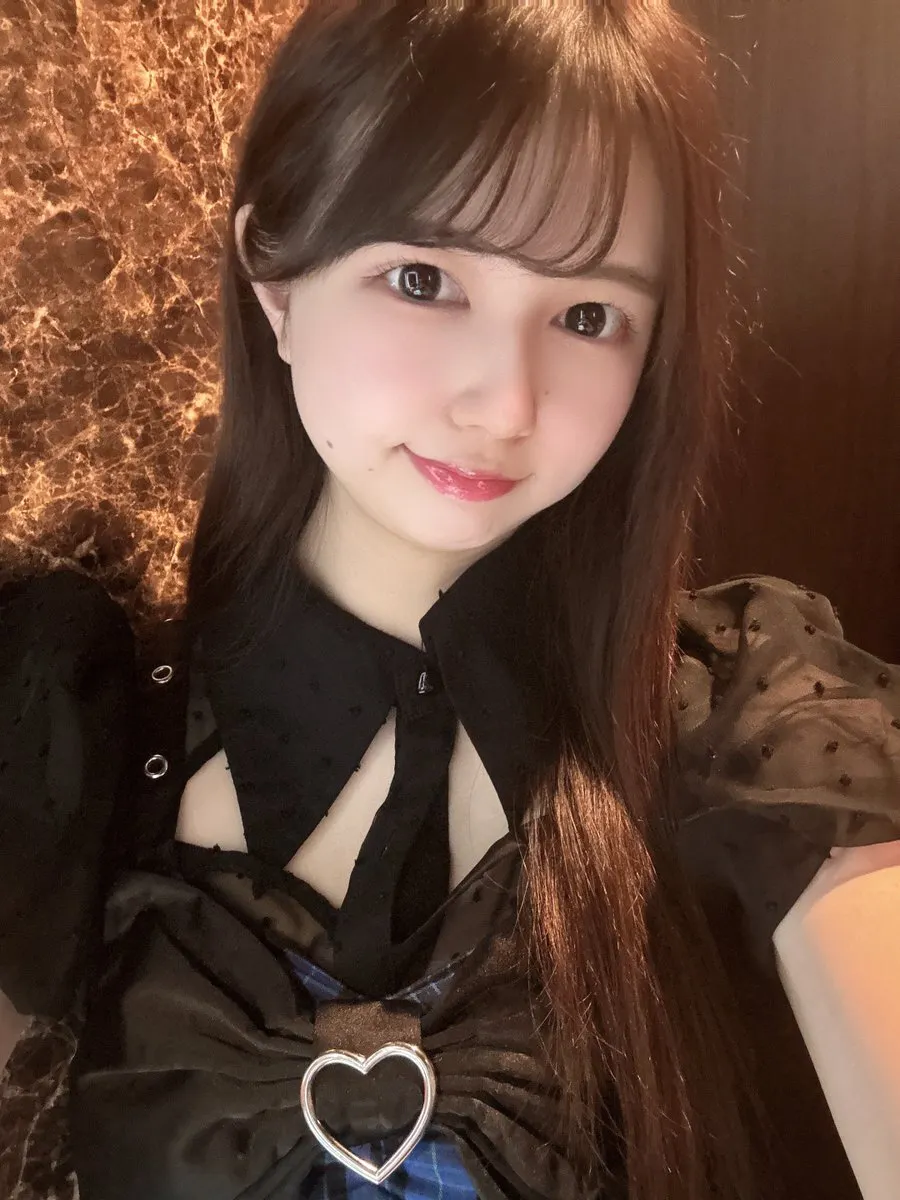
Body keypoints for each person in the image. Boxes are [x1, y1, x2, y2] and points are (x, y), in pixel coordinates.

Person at [0, 2, 898, 1198]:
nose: (505, 403)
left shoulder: (749, 717)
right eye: (423, 278)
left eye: (589, 316)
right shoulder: (80, 732)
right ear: (274, 273)